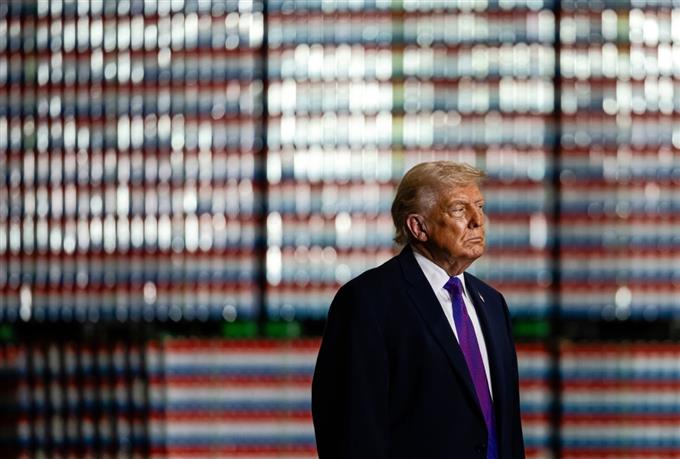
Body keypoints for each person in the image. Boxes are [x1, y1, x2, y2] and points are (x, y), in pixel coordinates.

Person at [311, 161, 525, 459]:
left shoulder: (493, 304)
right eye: (459, 209)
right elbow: (350, 431)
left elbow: (507, 429)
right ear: (418, 227)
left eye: (479, 206)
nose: (478, 220)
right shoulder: (367, 302)